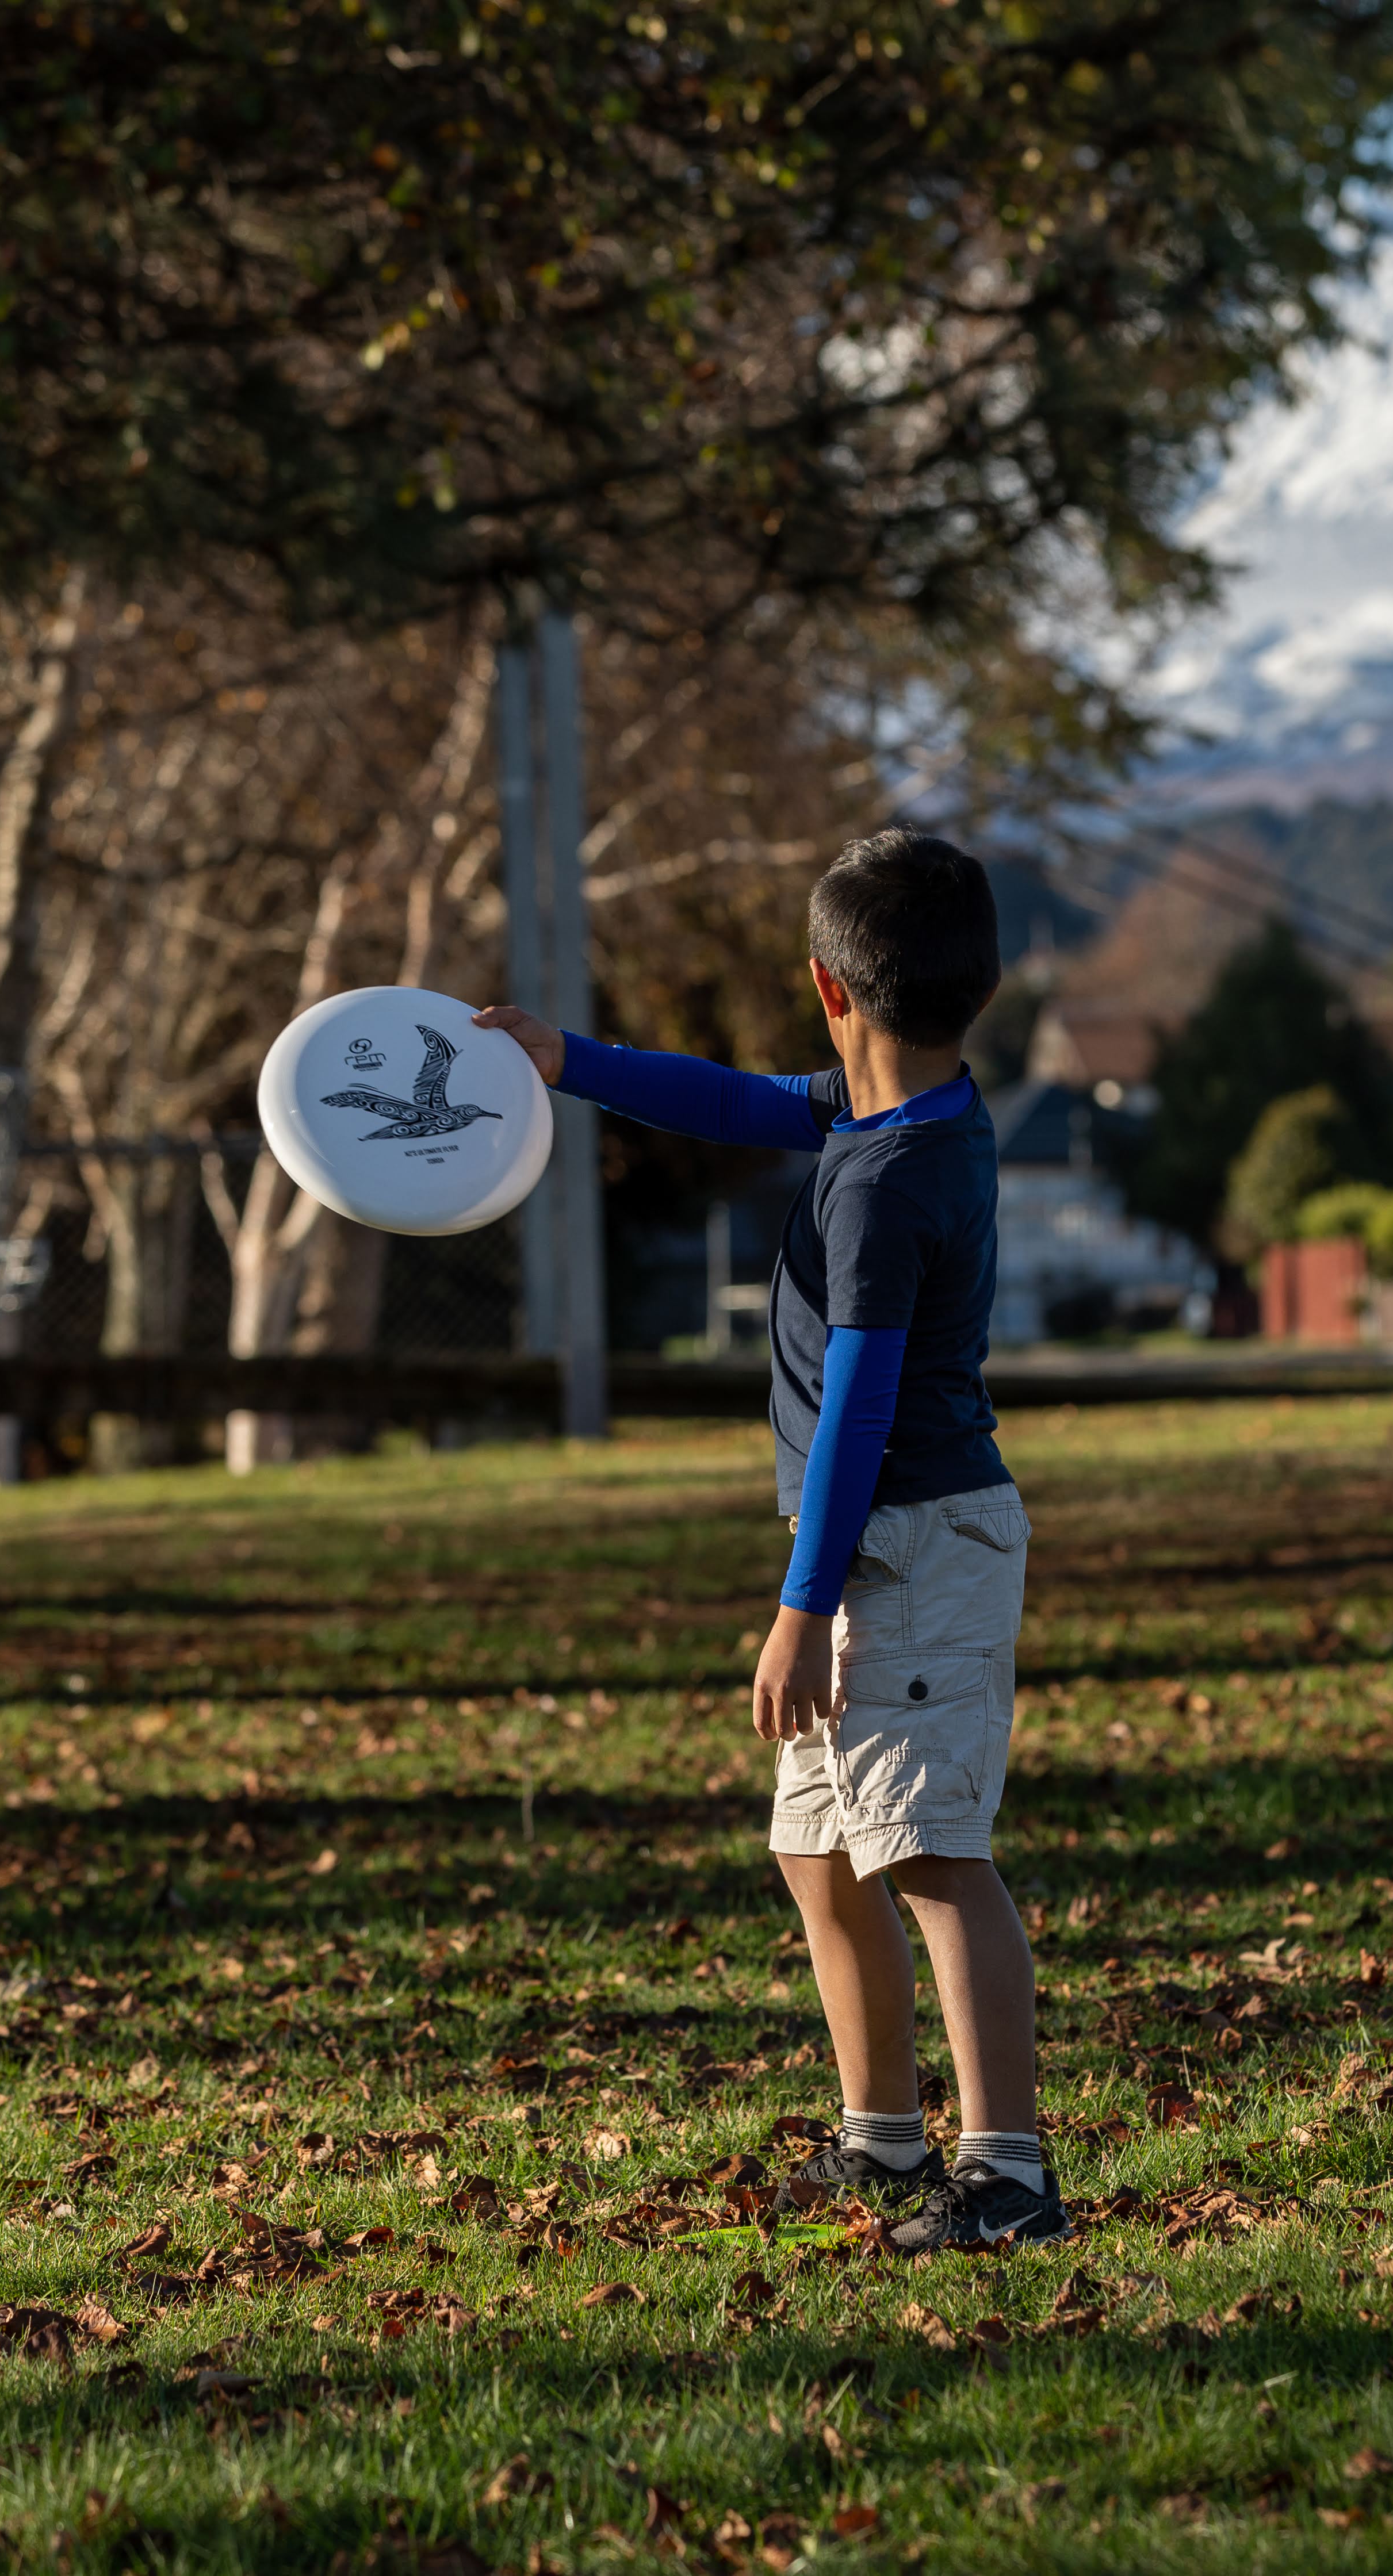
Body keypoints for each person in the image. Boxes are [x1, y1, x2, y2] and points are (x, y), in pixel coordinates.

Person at [469, 829, 1063, 2251]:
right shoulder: (896, 1115)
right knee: (822, 1850)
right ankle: (886, 2141)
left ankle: (1012, 2172)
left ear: (826, 985)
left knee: (927, 1852)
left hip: (905, 1546)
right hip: (870, 1543)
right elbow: (734, 1101)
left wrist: (804, 1606)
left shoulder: (884, 1178)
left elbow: (858, 1406)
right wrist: (571, 1060)